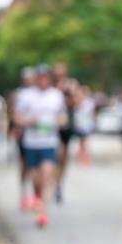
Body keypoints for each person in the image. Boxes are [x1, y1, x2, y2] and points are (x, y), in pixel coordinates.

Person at [13, 65, 67, 228]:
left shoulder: (56, 95)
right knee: (36, 179)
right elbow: (17, 117)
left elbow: (63, 118)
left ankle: (43, 212)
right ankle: (36, 196)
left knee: (47, 174)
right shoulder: (25, 95)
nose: (43, 80)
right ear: (36, 79)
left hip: (49, 142)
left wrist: (56, 122)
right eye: (40, 77)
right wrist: (30, 121)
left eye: (46, 77)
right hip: (31, 142)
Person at [9, 67, 37, 210]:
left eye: (31, 78)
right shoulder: (18, 94)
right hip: (24, 134)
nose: (29, 80)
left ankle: (35, 195)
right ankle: (24, 192)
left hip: (39, 136)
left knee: (36, 167)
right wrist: (14, 128)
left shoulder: (40, 93)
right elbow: (13, 113)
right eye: (26, 78)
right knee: (25, 165)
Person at [52, 61, 76, 204]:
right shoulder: (48, 86)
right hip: (52, 126)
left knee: (63, 158)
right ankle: (52, 180)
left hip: (66, 125)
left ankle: (59, 183)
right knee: (57, 154)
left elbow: (77, 101)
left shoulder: (70, 84)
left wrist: (70, 93)